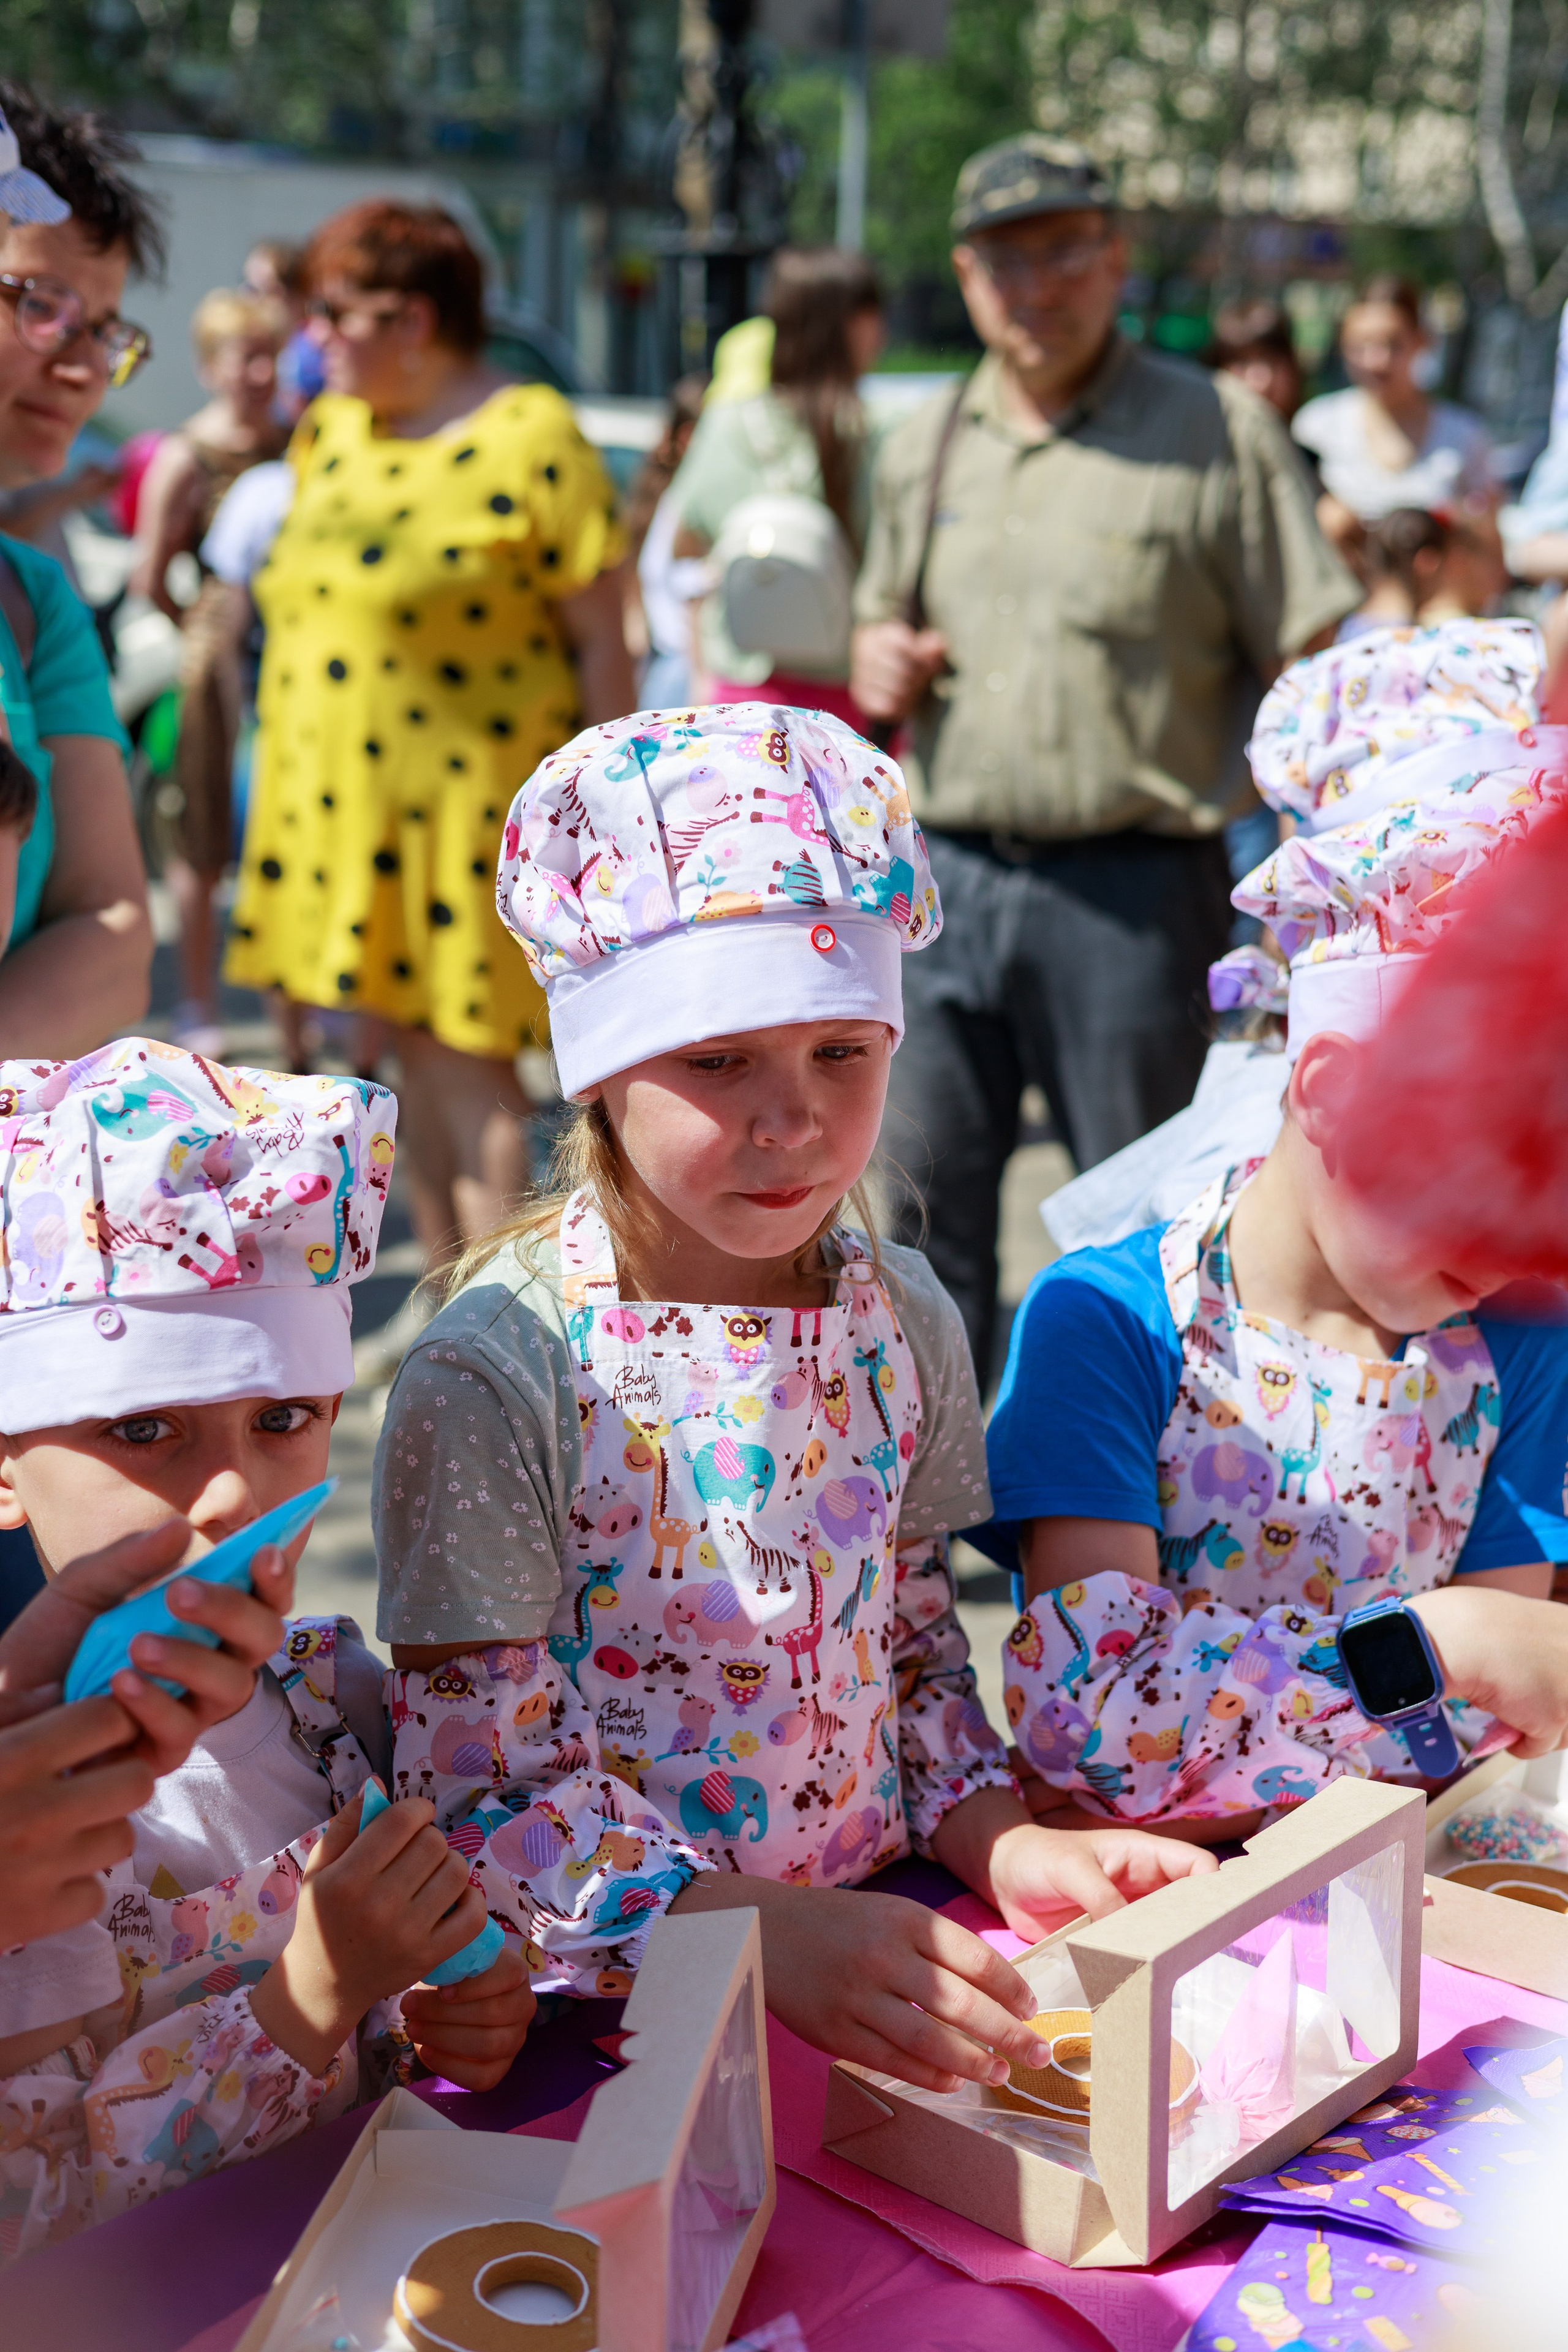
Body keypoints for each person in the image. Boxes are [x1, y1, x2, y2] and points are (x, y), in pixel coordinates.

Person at [371, 704, 1217, 2095]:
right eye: (717, 1061)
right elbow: (479, 1791)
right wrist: (763, 1936)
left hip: (878, 1956)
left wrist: (1001, 1839)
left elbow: (914, 1650)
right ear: (595, 1070)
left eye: (842, 1050)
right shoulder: (501, 1371)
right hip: (611, 2030)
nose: (792, 1119)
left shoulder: (902, 1319)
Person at [978, 630, 1568, 1839]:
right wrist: (1432, 1642)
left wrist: (1211, 1715)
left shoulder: (1520, 1344)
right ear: (1335, 1092)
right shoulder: (1108, 1326)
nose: (1520, 1252)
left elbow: (1493, 1740)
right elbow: (1096, 1737)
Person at [0, 1040, 535, 2259]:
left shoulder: (333, 1694)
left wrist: (463, 1998)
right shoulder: (28, 1823)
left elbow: (430, 1982)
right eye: (145, 1428)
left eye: (284, 1418)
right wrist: (311, 1997)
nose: (237, 1487)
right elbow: (42, 2212)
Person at [849, 135, 1359, 1381]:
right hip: (945, 882)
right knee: (913, 1222)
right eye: (1004, 258)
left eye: (1064, 249)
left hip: (1135, 898)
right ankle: (934, 1533)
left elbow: (1313, 664)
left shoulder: (1213, 429)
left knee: (1151, 1223)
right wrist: (875, 660)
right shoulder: (923, 444)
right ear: (966, 277)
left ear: (1114, 256)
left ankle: (1138, 1532)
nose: (1036, 283)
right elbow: (875, 621)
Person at [225, 198, 634, 1279]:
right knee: (409, 1062)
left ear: (411, 319)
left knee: (471, 1068)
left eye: (334, 312)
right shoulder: (334, 429)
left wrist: (608, 821)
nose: (312, 338)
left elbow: (604, 641)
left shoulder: (531, 433)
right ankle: (460, 1301)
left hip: (472, 821)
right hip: (347, 813)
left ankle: (511, 1320)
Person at [0, 80, 156, 1055]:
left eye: (103, 329)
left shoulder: (32, 601)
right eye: (43, 305)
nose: (87, 365)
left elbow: (113, 930)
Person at [130, 287, 289, 1055]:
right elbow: (149, 575)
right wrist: (200, 630)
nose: (258, 373)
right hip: (212, 668)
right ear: (209, 367)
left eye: (268, 355)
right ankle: (199, 999)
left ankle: (290, 996)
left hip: (292, 657)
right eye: (242, 357)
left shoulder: (301, 441)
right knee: (198, 836)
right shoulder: (185, 454)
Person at [670, 247, 885, 726]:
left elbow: (684, 549)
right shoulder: (879, 433)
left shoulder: (726, 424)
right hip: (847, 698)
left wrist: (698, 671)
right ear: (853, 324)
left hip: (739, 695)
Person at [1294, 277, 1496, 562]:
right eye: (1360, 346)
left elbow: (1489, 538)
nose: (1376, 360)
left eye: (1392, 344)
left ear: (1422, 341)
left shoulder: (1465, 435)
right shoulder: (1316, 427)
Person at [625, 372, 708, 709]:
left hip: (676, 669)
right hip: (680, 671)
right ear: (689, 437)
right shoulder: (680, 502)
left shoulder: (671, 500)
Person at [1204, 297, 1304, 423]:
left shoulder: (1316, 431)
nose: (1263, 382)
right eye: (1243, 363)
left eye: (1272, 361)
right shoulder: (1196, 437)